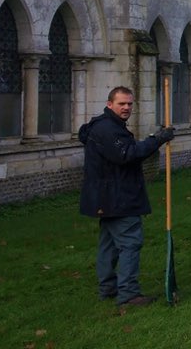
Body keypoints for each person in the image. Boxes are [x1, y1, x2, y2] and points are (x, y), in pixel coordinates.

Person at [79, 86, 174, 307]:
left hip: (107, 196)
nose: (126, 108)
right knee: (130, 242)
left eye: (130, 104)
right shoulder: (107, 129)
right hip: (118, 197)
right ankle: (129, 294)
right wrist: (157, 139)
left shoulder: (107, 126)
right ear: (109, 104)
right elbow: (127, 154)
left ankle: (108, 288)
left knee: (109, 244)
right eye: (121, 103)